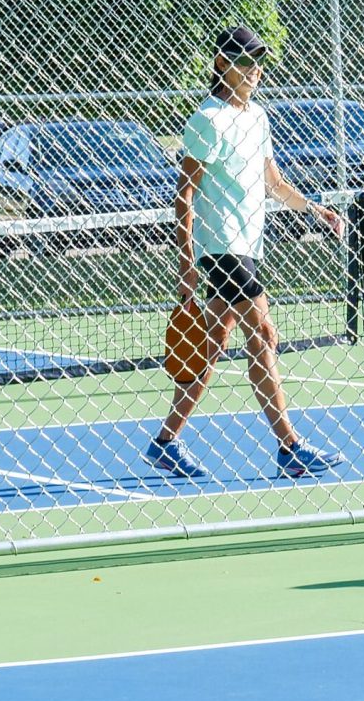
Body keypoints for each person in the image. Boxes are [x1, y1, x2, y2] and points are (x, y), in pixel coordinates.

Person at [146, 26, 348, 481]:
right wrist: (186, 265)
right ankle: (290, 446)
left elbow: (273, 183)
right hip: (222, 250)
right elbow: (184, 195)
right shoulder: (207, 120)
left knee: (214, 346)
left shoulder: (257, 117)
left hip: (248, 247)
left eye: (258, 62)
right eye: (244, 61)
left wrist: (316, 210)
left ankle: (164, 442)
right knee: (262, 335)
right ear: (221, 65)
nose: (254, 70)